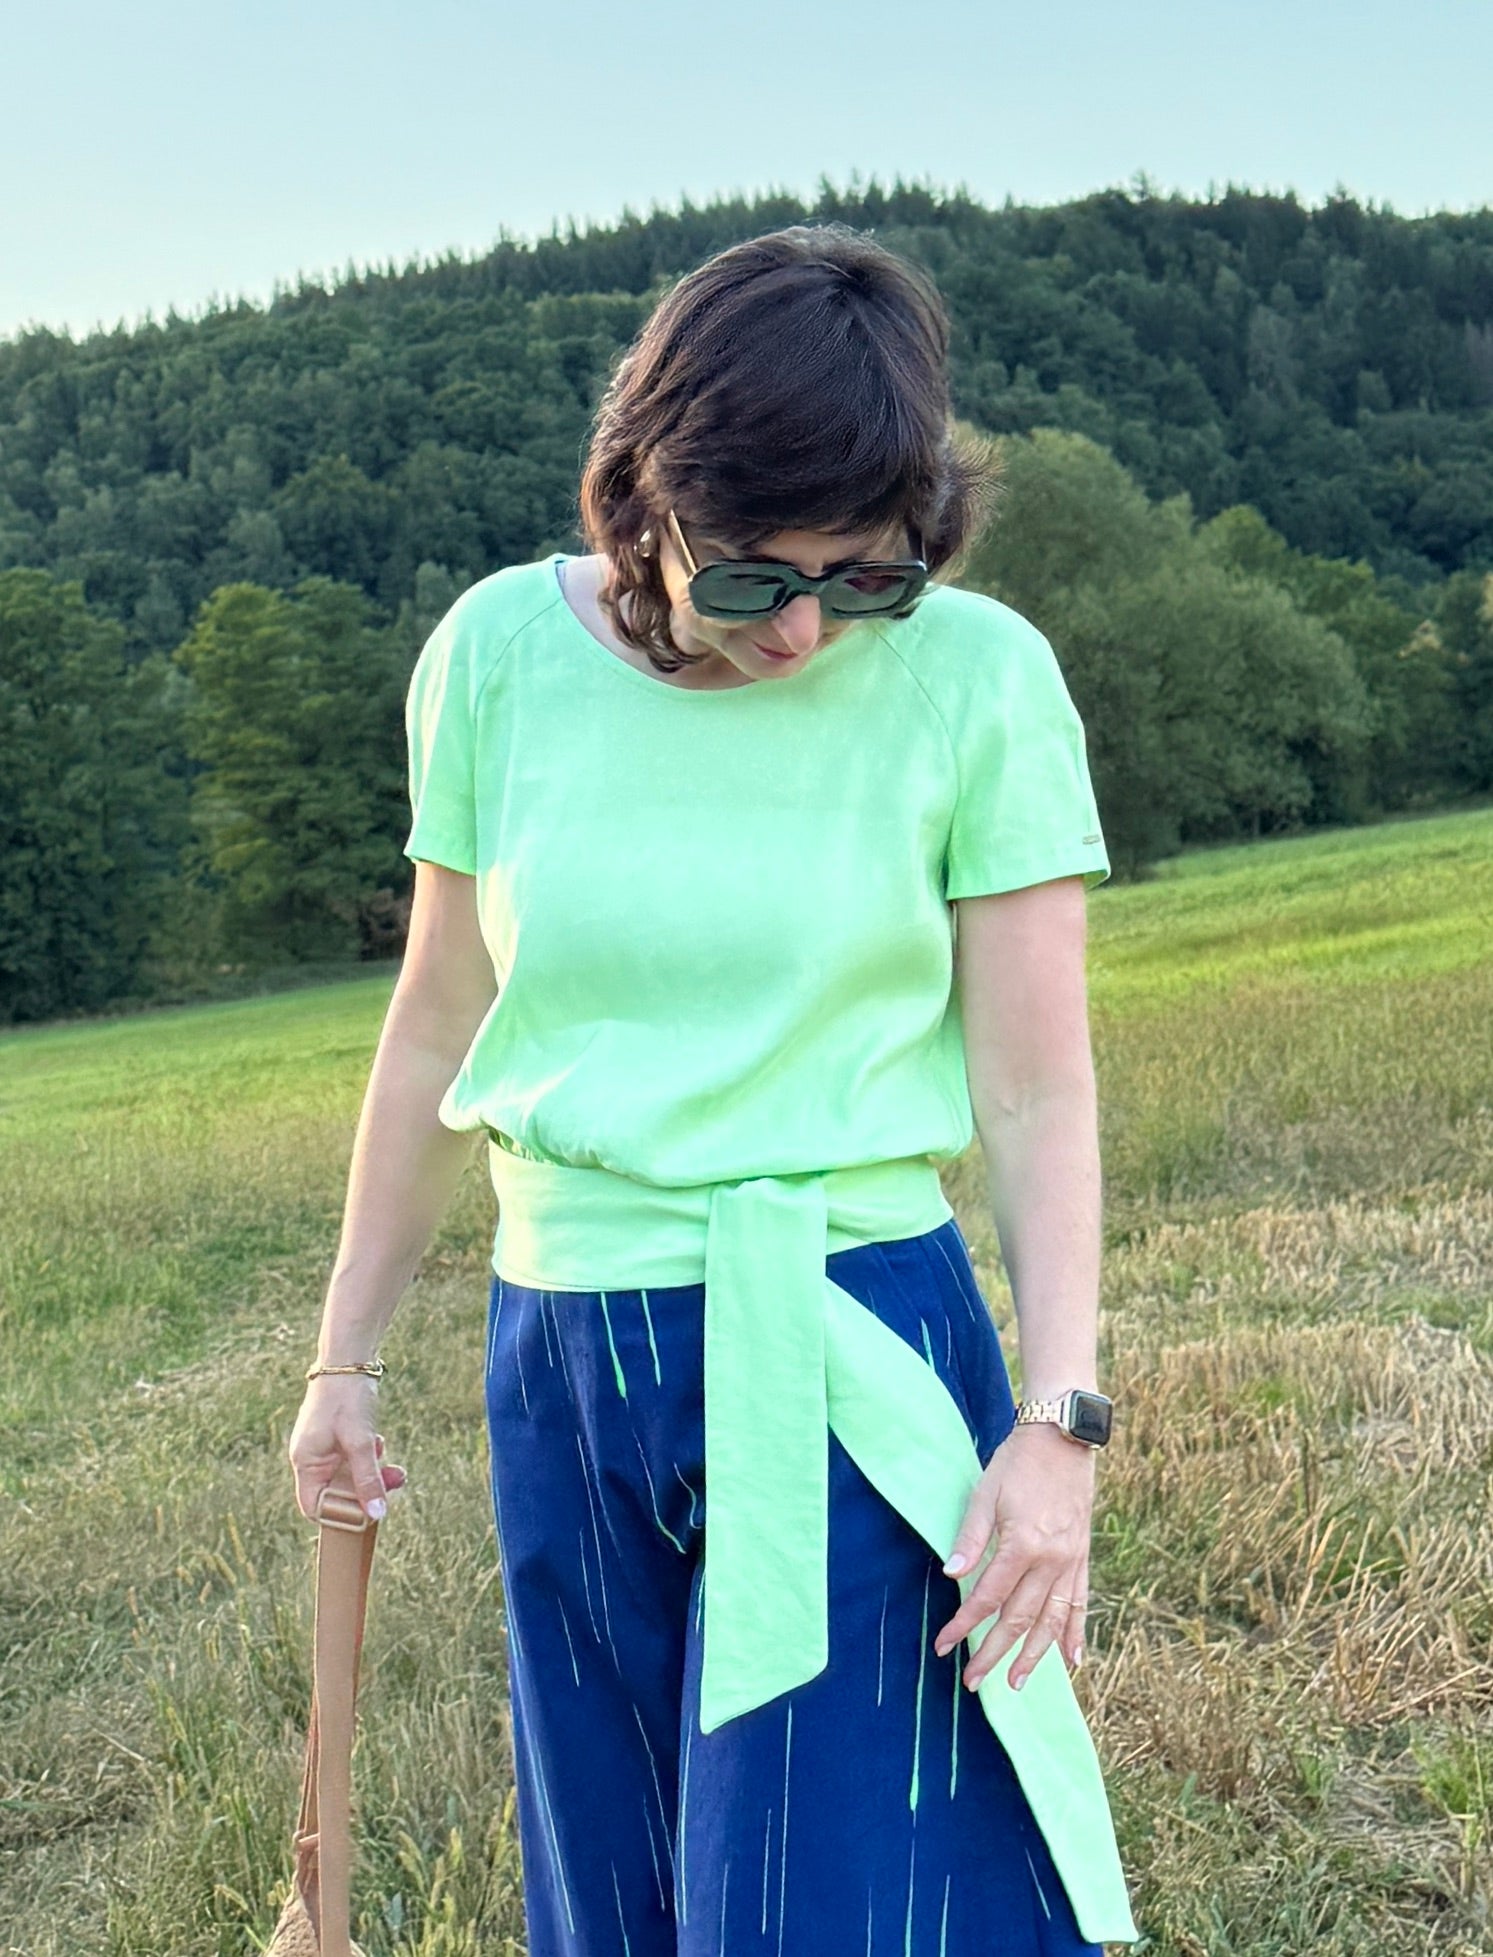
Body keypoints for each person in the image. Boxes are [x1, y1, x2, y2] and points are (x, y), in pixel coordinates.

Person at [287, 222, 1141, 1955]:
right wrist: (342, 1359)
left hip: (849, 1346)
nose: (806, 629)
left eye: (867, 577)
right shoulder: (494, 655)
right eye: (752, 579)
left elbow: (1037, 1091)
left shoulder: (979, 676)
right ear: (643, 503)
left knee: (842, 1899)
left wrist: (1055, 1427)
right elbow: (438, 1025)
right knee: (616, 1884)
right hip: (563, 1356)